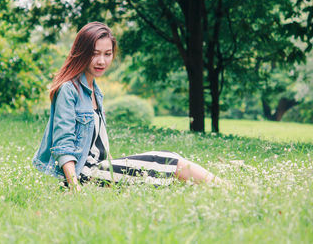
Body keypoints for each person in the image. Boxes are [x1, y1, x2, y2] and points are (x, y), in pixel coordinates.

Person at [32, 22, 219, 191]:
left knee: (168, 157)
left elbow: (98, 145)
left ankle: (219, 188)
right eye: (94, 53)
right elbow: (63, 145)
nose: (101, 61)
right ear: (81, 52)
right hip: (86, 175)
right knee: (170, 162)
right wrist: (75, 187)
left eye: (107, 54)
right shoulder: (69, 90)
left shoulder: (95, 91)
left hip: (100, 169)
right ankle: (226, 189)